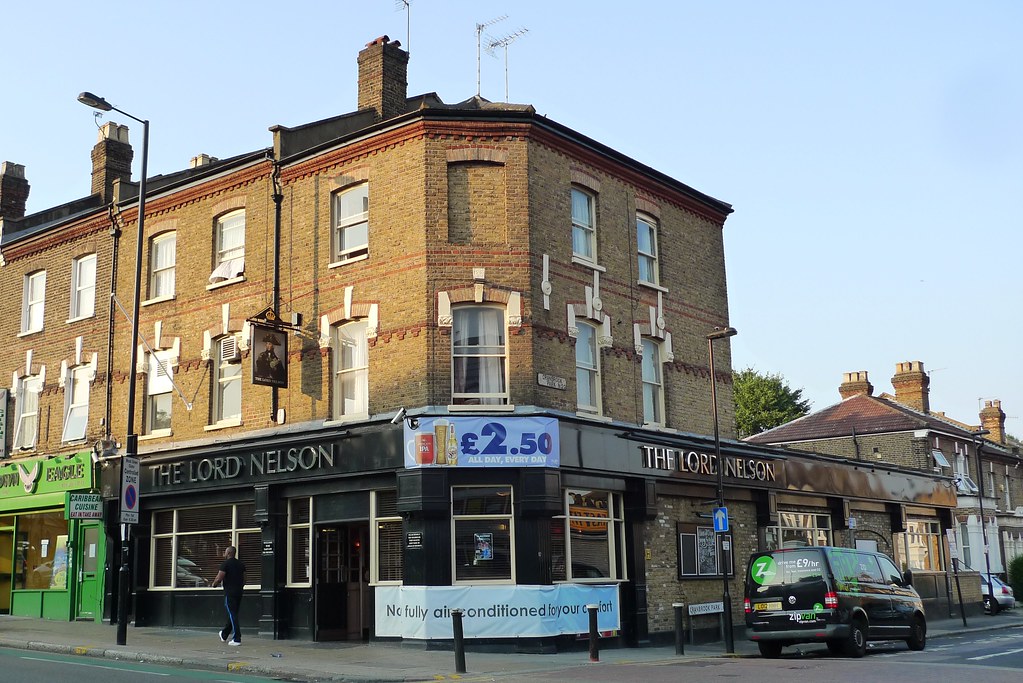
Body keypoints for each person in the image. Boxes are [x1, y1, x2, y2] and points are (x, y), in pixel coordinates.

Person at [212, 545, 245, 646]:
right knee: (233, 614)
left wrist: (214, 584)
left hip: (229, 593)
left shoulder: (225, 564)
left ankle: (237, 638)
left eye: (225, 552)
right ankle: (224, 634)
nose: (224, 554)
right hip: (239, 592)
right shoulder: (241, 564)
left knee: (232, 614)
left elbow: (219, 577)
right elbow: (245, 579)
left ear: (229, 553)